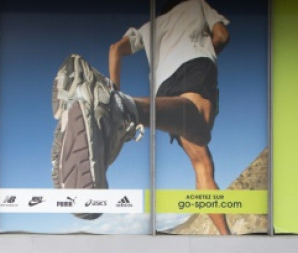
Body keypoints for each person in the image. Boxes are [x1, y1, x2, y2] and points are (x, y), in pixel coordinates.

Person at [53, 0, 231, 234]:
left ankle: (225, 236)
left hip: (163, 89)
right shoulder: (196, 5)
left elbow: (115, 49)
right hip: (194, 63)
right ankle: (121, 108)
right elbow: (221, 35)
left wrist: (113, 90)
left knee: (201, 161)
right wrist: (207, 51)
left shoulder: (151, 26)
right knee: (200, 122)